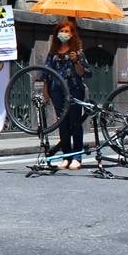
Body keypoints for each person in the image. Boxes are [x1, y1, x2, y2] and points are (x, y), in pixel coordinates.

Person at [43, 20, 92, 170]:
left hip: (74, 90)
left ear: (72, 34)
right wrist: (46, 92)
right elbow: (46, 73)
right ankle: (66, 155)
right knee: (62, 124)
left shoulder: (77, 53)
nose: (63, 34)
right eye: (61, 31)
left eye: (67, 31)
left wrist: (76, 61)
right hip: (57, 92)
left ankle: (77, 156)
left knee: (75, 123)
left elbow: (87, 73)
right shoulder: (53, 53)